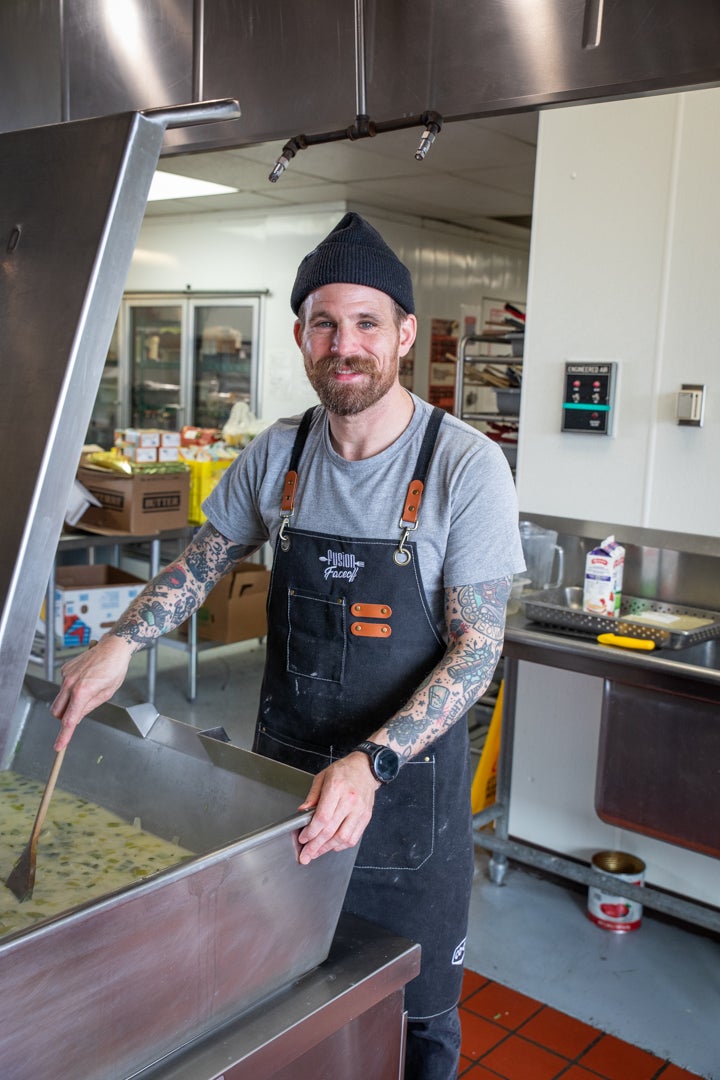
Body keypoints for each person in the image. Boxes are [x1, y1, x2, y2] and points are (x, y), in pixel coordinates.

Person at [52, 212, 524, 1079]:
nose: (344, 345)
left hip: (402, 805)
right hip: (285, 798)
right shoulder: (280, 454)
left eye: (367, 323)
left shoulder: (465, 467)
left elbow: (476, 649)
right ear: (302, 336)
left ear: (405, 334)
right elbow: (199, 565)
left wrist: (370, 763)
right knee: (287, 1013)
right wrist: (121, 640)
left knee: (412, 1026)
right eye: (324, 323)